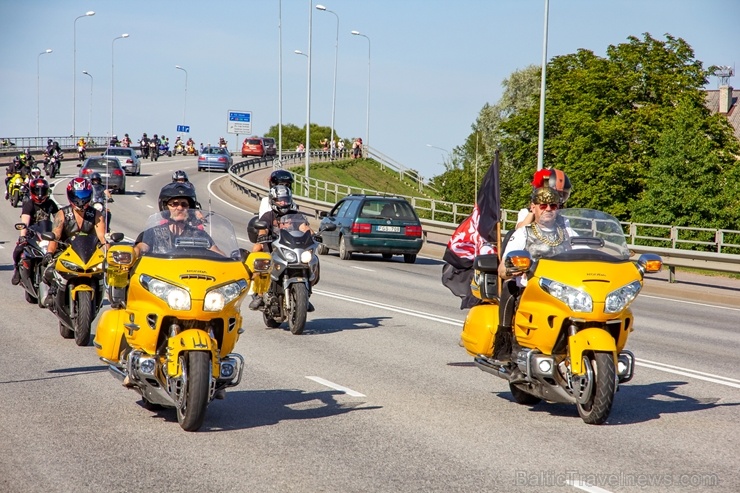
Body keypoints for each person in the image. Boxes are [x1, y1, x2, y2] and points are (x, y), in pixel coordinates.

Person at [492, 187, 578, 376]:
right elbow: (502, 269)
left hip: (565, 291)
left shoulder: (568, 231)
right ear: (534, 207)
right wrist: (513, 268)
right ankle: (509, 349)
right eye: (543, 205)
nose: (548, 209)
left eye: (553, 205)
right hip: (533, 289)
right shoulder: (524, 233)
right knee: (511, 288)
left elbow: (585, 250)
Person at [43, 178, 109, 304]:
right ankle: (52, 291)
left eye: (84, 196)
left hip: (89, 253)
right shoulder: (62, 214)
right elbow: (55, 235)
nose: (80, 201)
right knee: (49, 271)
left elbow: (102, 237)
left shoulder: (96, 215)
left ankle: (105, 292)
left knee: (105, 272)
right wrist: (49, 253)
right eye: (77, 196)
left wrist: (109, 255)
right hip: (66, 250)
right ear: (70, 196)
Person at [248, 185, 311, 310]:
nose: (283, 202)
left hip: (291, 248)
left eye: (286, 199)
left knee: (311, 260)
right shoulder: (268, 216)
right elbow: (263, 229)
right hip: (272, 247)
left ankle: (305, 295)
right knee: (259, 255)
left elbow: (304, 227)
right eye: (280, 200)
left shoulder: (295, 215)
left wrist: (313, 235)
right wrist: (262, 236)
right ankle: (260, 295)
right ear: (273, 200)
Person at [134, 183, 221, 256]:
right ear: (165, 207)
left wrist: (230, 260)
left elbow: (217, 253)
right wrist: (136, 252)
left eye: (184, 204)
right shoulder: (153, 233)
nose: (180, 208)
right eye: (174, 204)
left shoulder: (199, 235)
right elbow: (141, 247)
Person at [10, 178, 59, 285]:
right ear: (32, 191)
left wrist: (61, 232)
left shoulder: (50, 203)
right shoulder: (29, 204)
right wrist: (23, 235)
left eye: (42, 191)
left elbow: (58, 219)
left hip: (47, 233)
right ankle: (17, 270)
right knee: (19, 248)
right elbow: (25, 221)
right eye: (37, 191)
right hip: (32, 233)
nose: (40, 194)